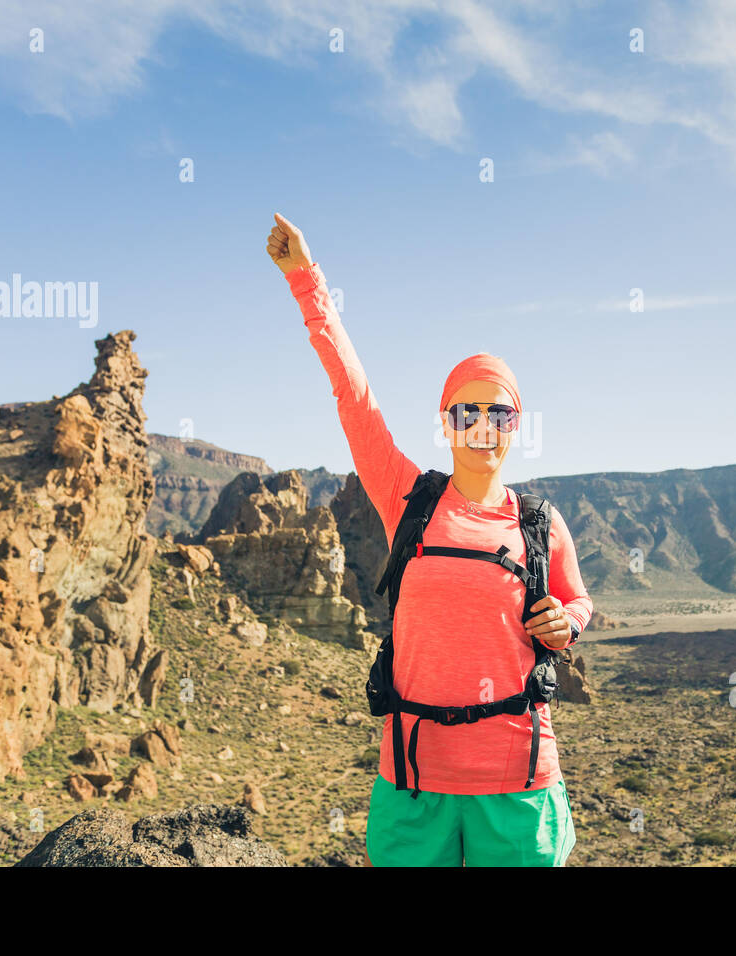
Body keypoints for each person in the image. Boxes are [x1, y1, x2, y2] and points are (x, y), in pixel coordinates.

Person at [266, 213, 593, 866]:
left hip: (519, 783)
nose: (481, 426)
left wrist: (566, 622)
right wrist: (306, 280)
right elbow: (354, 399)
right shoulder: (407, 497)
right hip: (414, 782)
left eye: (496, 413)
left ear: (514, 426)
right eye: (465, 412)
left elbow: (577, 603)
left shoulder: (538, 524)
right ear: (447, 424)